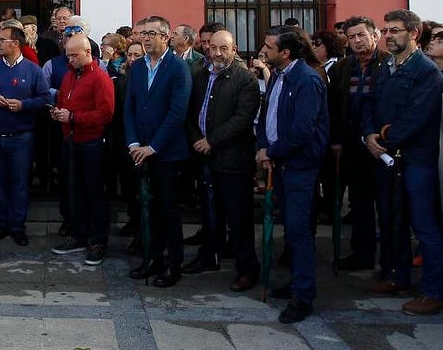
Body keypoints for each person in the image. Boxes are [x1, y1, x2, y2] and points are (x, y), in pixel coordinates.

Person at [366, 9, 443, 317]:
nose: (389, 36)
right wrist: (368, 135)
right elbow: (369, 103)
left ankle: (433, 291)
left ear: (414, 34)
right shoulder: (384, 67)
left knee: (424, 226)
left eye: (396, 30)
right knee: (391, 221)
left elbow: (418, 115)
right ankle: (397, 276)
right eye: (386, 30)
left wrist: (386, 137)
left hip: (416, 159)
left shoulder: (427, 71)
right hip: (386, 159)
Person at [255, 26, 328, 324]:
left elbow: (302, 131)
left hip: (299, 166)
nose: (264, 51)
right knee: (291, 228)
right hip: (280, 163)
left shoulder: (307, 80)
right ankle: (297, 283)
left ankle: (303, 294)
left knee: (299, 231)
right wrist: (264, 147)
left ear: (285, 52)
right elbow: (267, 116)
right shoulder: (279, 76)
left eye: (269, 47)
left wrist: (273, 152)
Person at [183, 30, 261, 291]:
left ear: (234, 49)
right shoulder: (200, 75)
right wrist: (196, 138)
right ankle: (208, 256)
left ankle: (246, 268)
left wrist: (211, 141)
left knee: (238, 217)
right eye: (213, 48)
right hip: (203, 156)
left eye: (223, 48)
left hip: (233, 160)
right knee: (209, 212)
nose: (217, 53)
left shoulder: (245, 79)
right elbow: (191, 110)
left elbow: (242, 119)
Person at [125, 16, 192, 288]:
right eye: (143, 34)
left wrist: (153, 147)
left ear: (166, 37)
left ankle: (172, 263)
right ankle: (151, 258)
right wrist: (132, 143)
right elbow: (129, 106)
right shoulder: (138, 67)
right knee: (147, 209)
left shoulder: (178, 69)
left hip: (166, 153)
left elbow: (177, 113)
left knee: (168, 210)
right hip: (139, 150)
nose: (146, 38)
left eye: (152, 33)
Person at [0, 25, 51, 246]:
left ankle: (18, 226)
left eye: (1, 40)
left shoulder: (33, 70)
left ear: (15, 44)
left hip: (21, 137)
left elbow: (45, 98)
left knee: (19, 183)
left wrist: (24, 105)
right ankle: (3, 223)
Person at [49, 34, 115, 265]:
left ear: (88, 53)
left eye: (74, 55)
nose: (71, 59)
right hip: (71, 140)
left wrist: (73, 116)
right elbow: (64, 101)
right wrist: (58, 111)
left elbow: (106, 114)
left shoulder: (99, 77)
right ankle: (78, 235)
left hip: (91, 142)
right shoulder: (69, 75)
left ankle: (98, 241)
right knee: (74, 190)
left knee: (95, 192)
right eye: (68, 55)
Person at [329, 16, 388, 272]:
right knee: (359, 202)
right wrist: (336, 139)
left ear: (375, 35)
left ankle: (390, 258)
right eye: (351, 37)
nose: (356, 41)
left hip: (382, 144)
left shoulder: (388, 63)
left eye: (361, 35)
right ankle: (361, 253)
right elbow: (334, 106)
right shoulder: (341, 69)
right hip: (352, 143)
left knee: (386, 204)